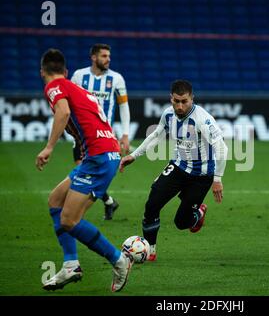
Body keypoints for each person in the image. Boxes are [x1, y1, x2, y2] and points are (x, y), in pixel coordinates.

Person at [36, 48, 133, 292]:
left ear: (42, 72)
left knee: (69, 220)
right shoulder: (78, 88)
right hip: (102, 154)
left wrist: (49, 147)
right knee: (55, 201)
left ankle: (119, 260)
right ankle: (71, 264)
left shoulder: (54, 86)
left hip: (99, 158)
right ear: (66, 71)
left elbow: (64, 112)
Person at [120, 80, 228, 261]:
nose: (179, 106)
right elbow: (156, 135)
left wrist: (217, 179)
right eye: (176, 101)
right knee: (153, 202)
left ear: (192, 98)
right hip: (179, 167)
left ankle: (198, 212)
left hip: (201, 176)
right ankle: (150, 249)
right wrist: (134, 155)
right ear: (171, 98)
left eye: (184, 101)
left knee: (181, 223)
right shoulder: (168, 114)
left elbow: (222, 149)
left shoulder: (202, 119)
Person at [71, 43, 131, 220]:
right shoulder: (78, 76)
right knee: (82, 170)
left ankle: (77, 213)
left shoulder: (117, 78)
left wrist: (125, 134)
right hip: (82, 134)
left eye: (109, 56)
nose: (108, 59)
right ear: (94, 57)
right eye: (104, 56)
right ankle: (109, 201)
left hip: (104, 136)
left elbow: (124, 106)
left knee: (89, 172)